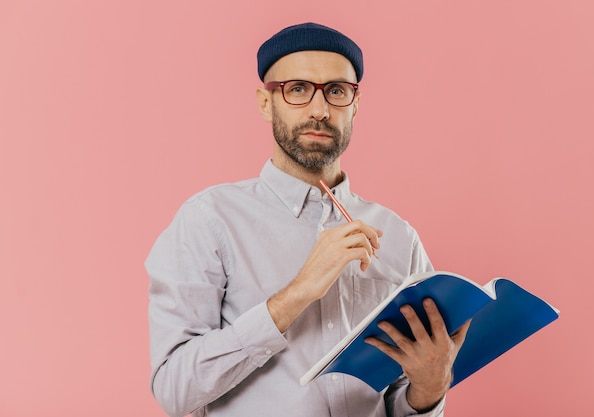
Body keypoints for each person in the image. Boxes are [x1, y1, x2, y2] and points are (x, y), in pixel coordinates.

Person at [146, 22, 469, 417]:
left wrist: (431, 390)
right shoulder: (209, 221)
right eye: (297, 89)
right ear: (267, 103)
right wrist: (297, 293)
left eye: (336, 91)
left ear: (355, 104)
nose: (319, 110)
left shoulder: (400, 237)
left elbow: (400, 401)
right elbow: (174, 390)